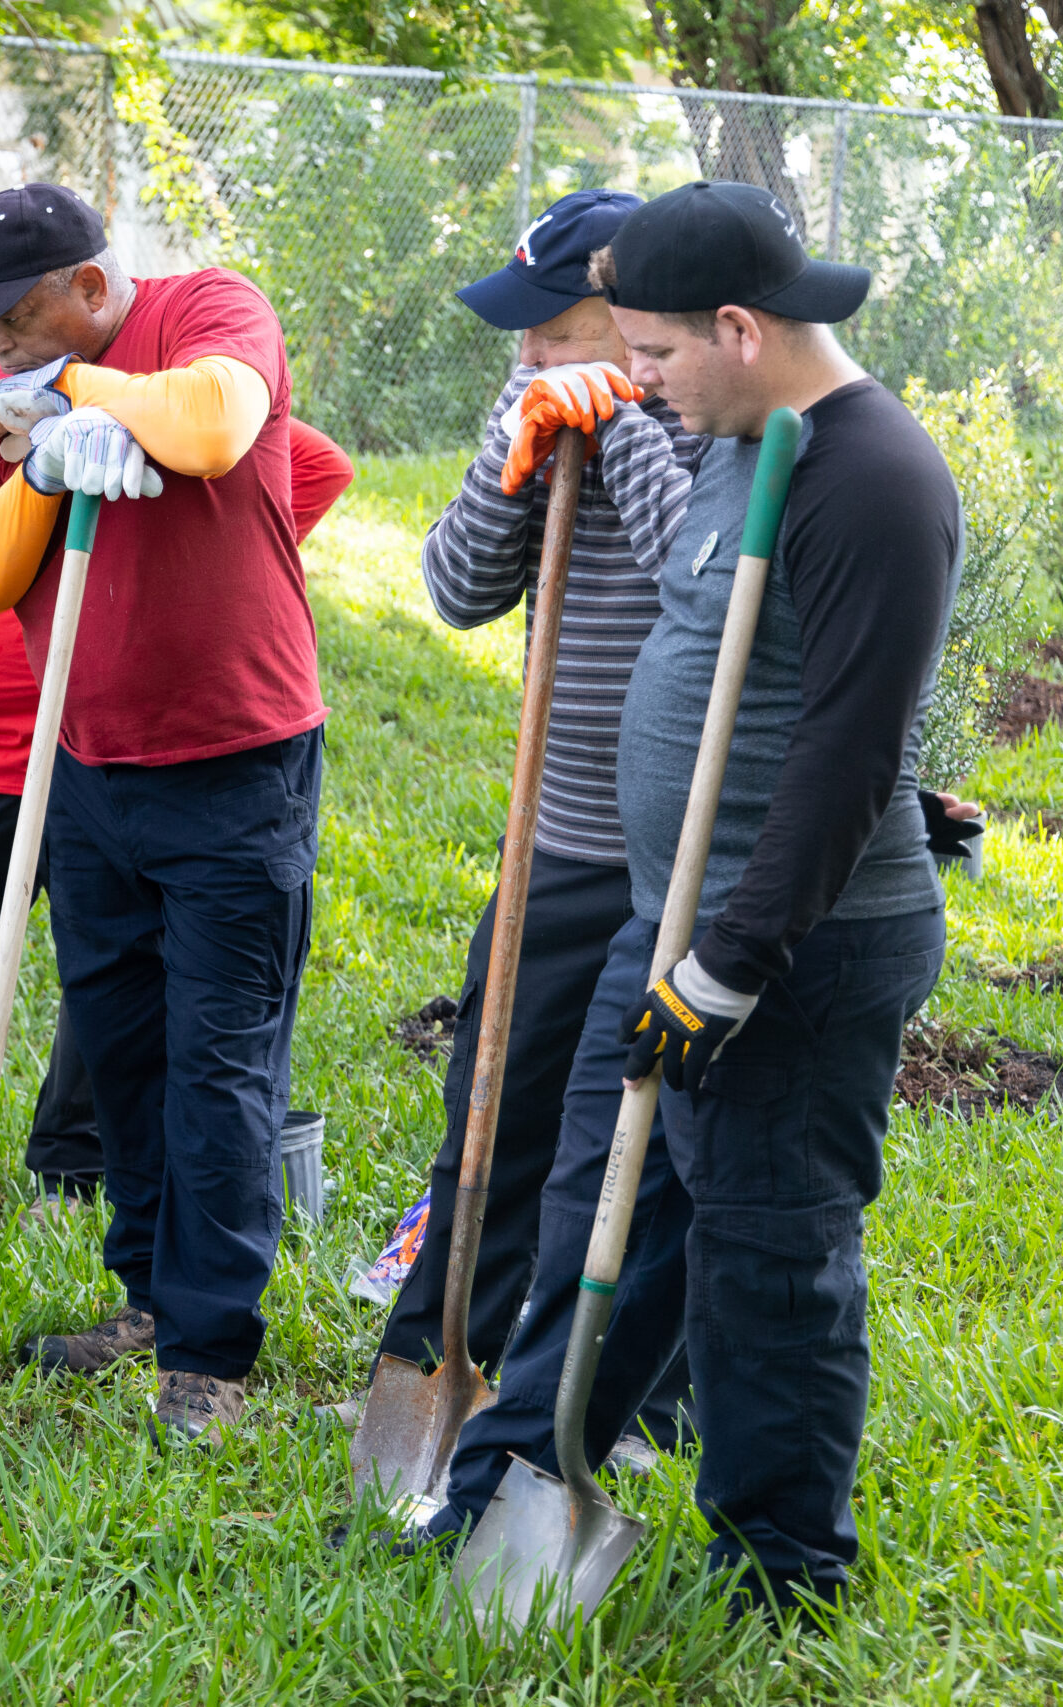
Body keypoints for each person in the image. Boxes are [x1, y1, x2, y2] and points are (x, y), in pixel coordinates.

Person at [424, 181, 961, 1619]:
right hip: (659, 925)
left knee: (770, 1255)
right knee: (599, 1214)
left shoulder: (877, 477)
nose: (640, 380)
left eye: (655, 353)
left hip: (790, 957)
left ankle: (778, 1563)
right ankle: (502, 1485)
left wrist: (729, 964)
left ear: (739, 326)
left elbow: (850, 748)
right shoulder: (732, 430)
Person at [0, 183, 327, 1441]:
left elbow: (211, 426)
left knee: (217, 1056)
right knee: (123, 1051)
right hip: (85, 766)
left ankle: (210, 1351)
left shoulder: (210, 311)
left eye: (17, 315)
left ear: (91, 288)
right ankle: (147, 1298)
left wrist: (77, 398)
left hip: (236, 762)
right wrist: (35, 468)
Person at [0, 325, 355, 1224]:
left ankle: (75, 1171)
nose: (5, 339)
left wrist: (192, 552)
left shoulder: (139, 393)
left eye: (20, 317)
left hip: (108, 739)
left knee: (109, 971)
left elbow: (312, 465)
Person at [361, 190, 708, 1466]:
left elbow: (700, 594)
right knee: (491, 1105)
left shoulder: (706, 421)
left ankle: (643, 1399)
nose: (521, 361)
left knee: (636, 1143)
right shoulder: (530, 411)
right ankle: (428, 1348)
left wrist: (618, 433)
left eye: (546, 336)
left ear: (625, 323)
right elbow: (455, 591)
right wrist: (519, 456)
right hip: (554, 844)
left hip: (668, 863)